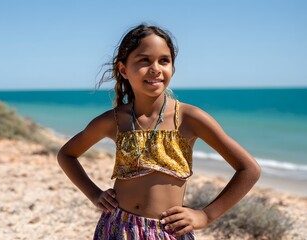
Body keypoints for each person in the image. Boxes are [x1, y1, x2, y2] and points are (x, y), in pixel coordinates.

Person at [57, 24, 261, 240]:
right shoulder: (113, 121)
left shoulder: (189, 118)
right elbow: (67, 155)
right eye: (144, 60)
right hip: (117, 228)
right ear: (123, 69)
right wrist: (94, 194)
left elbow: (249, 169)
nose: (155, 68)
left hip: (167, 232)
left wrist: (205, 215)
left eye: (164, 60)